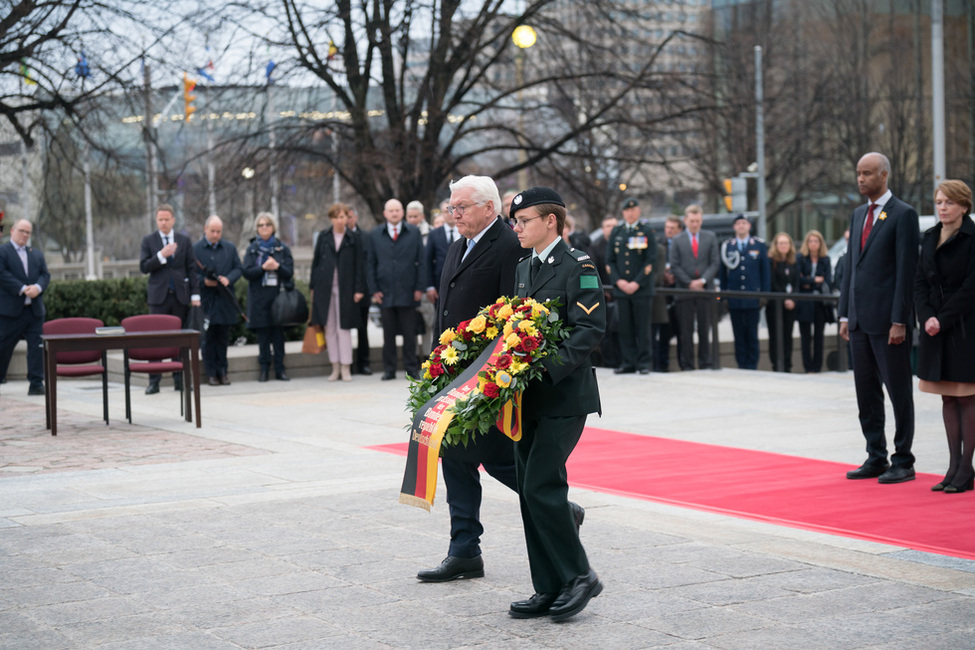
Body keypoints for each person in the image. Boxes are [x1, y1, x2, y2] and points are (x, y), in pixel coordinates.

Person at [416, 175, 525, 583]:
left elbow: (511, 317)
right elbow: (446, 309)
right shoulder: (459, 243)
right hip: (452, 374)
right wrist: (434, 366)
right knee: (458, 456)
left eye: (462, 207)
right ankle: (464, 549)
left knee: (493, 457)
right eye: (452, 206)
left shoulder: (509, 247)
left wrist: (491, 375)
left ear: (489, 208)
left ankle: (555, 505)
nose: (454, 213)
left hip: (486, 376)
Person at [508, 186, 604, 622]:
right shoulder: (524, 268)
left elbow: (589, 329)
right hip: (527, 399)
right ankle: (548, 586)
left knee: (540, 485)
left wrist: (545, 371)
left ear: (551, 221)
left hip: (564, 396)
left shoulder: (578, 265)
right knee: (530, 491)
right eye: (516, 221)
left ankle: (580, 575)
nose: (517, 227)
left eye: (524, 220)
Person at [839, 152, 919, 484]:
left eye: (867, 173)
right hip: (858, 322)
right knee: (866, 392)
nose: (861, 179)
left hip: (889, 324)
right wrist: (844, 313)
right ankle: (876, 455)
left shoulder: (903, 214)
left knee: (898, 391)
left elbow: (906, 272)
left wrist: (900, 319)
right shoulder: (858, 214)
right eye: (858, 173)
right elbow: (850, 269)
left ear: (884, 175)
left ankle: (903, 459)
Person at [915, 180, 975, 493]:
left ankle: (966, 468)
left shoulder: (972, 238)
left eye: (949, 202)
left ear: (964, 206)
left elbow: (971, 288)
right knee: (947, 396)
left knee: (966, 397)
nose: (942, 207)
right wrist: (926, 317)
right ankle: (953, 465)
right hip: (934, 326)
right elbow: (919, 282)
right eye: (939, 201)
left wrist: (943, 318)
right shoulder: (928, 237)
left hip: (964, 327)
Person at [139, 204, 200, 394]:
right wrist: (161, 255)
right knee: (155, 339)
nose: (164, 223)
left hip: (180, 296)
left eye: (167, 219)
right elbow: (144, 266)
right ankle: (154, 381)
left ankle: (180, 379)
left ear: (173, 220)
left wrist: (195, 294)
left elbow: (191, 268)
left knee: (180, 339)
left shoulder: (183, 240)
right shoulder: (149, 240)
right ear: (156, 221)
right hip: (159, 297)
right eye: (160, 220)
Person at [365, 199, 426, 380]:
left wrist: (419, 288)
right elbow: (370, 264)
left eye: (397, 210)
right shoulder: (375, 234)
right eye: (390, 211)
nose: (394, 213)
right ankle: (389, 369)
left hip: (408, 290)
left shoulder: (413, 233)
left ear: (402, 212)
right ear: (385, 213)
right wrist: (374, 289)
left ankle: (411, 368)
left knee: (409, 333)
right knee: (388, 334)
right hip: (385, 292)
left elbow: (421, 262)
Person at [310, 203, 367, 382]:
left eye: (343, 217)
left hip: (346, 289)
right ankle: (334, 366)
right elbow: (316, 262)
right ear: (331, 218)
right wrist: (312, 287)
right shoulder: (323, 236)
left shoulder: (353, 238)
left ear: (347, 218)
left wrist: (359, 289)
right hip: (324, 289)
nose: (340, 220)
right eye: (336, 217)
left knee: (344, 329)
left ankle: (346, 367)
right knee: (329, 328)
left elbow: (360, 265)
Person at [606, 197, 656, 374]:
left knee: (642, 328)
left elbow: (650, 261)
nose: (630, 213)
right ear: (623, 213)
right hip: (622, 289)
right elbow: (609, 261)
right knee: (624, 328)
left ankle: (643, 363)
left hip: (641, 289)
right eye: (627, 210)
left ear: (638, 211)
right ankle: (628, 362)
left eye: (633, 210)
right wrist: (619, 281)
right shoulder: (617, 232)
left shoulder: (646, 231)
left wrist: (636, 282)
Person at [242, 212, 294, 382]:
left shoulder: (282, 248)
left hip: (278, 297)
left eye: (267, 225)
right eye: (261, 225)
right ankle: (264, 369)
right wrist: (263, 267)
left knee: (278, 336)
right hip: (259, 298)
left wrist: (277, 266)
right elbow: (247, 272)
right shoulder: (253, 249)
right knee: (263, 336)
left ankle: (280, 369)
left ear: (273, 227)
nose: (264, 228)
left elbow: (289, 272)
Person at [0, 219, 49, 395]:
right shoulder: (3, 251)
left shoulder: (36, 254)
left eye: (28, 232)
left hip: (34, 311)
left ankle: (36, 383)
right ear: (12, 230)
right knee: (3, 345)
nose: (25, 235)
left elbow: (45, 274)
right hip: (10, 311)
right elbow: (2, 274)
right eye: (22, 231)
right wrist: (22, 289)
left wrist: (38, 287)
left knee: (36, 347)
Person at [192, 215, 242, 386]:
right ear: (205, 229)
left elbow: (238, 268)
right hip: (207, 299)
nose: (215, 234)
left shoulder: (229, 247)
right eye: (212, 231)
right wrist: (203, 281)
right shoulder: (196, 249)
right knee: (207, 338)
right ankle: (211, 373)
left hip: (225, 298)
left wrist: (228, 279)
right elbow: (190, 273)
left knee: (223, 337)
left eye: (218, 231)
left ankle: (223, 372)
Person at [670, 204, 719, 370]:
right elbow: (675, 265)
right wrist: (690, 283)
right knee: (686, 331)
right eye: (692, 221)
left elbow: (714, 262)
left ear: (701, 220)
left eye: (698, 221)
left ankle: (706, 362)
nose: (695, 224)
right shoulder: (677, 240)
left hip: (705, 291)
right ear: (686, 220)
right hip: (685, 291)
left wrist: (703, 281)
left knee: (705, 330)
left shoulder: (710, 237)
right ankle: (688, 364)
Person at [719, 215, 770, 370]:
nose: (741, 226)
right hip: (734, 299)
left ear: (749, 226)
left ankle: (752, 365)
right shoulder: (727, 246)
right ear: (734, 227)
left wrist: (764, 296)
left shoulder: (759, 245)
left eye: (744, 223)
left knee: (752, 335)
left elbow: (765, 273)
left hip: (752, 298)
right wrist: (724, 297)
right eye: (738, 223)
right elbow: (722, 274)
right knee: (738, 335)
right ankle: (741, 365)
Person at [796, 229, 833, 373]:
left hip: (820, 302)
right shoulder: (800, 257)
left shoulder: (826, 259)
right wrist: (814, 280)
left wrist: (808, 281)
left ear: (820, 243)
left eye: (816, 241)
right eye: (810, 241)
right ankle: (808, 367)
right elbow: (799, 279)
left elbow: (828, 280)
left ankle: (817, 367)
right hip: (805, 301)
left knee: (819, 336)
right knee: (805, 336)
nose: (813, 244)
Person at [653, 216, 682, 372]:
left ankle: (684, 363)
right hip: (662, 296)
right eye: (667, 228)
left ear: (679, 230)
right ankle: (661, 365)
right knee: (662, 334)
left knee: (681, 333)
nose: (669, 231)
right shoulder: (659, 244)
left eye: (673, 228)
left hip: (679, 293)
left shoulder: (683, 244)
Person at [766, 232, 798, 373]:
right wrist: (785, 298)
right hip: (775, 306)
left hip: (790, 306)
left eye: (786, 243)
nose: (783, 246)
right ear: (776, 245)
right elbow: (772, 282)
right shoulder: (771, 262)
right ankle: (776, 365)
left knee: (788, 336)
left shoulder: (794, 262)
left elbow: (797, 283)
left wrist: (793, 299)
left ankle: (787, 365)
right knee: (775, 335)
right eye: (780, 243)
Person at [407, 200, 435, 355]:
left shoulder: (430, 233)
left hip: (425, 285)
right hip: (409, 285)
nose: (412, 220)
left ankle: (427, 357)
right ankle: (413, 358)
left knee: (428, 324)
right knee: (410, 325)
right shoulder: (403, 233)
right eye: (410, 216)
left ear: (422, 216)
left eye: (415, 216)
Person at [347, 206, 373, 375]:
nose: (347, 220)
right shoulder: (339, 237)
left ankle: (364, 362)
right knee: (344, 330)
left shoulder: (365, 237)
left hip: (362, 290)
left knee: (362, 328)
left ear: (355, 217)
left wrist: (363, 288)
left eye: (349, 216)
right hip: (343, 291)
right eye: (344, 216)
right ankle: (346, 362)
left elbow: (368, 264)